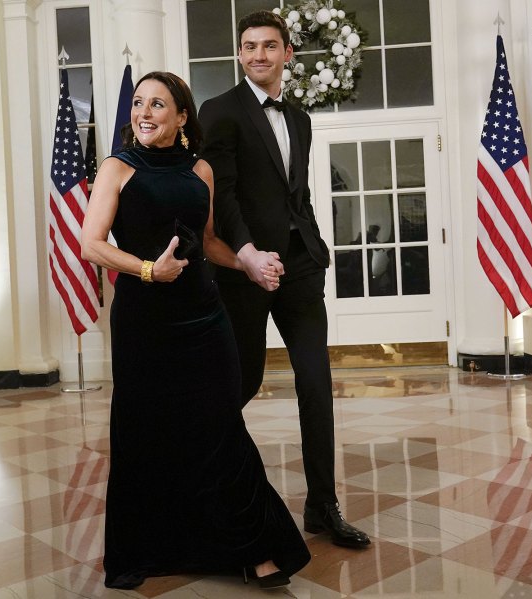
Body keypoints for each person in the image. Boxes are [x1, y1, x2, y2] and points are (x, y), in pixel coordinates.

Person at [81, 71, 310, 590]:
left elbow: (206, 240)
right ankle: (144, 549)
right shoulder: (117, 168)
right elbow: (91, 244)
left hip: (204, 318)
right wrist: (147, 269)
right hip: (144, 320)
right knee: (145, 433)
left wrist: (246, 264)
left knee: (220, 429)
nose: (144, 112)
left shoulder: (199, 170)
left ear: (182, 117)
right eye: (139, 103)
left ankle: (253, 548)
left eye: (157, 104)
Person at [198, 10, 371, 549]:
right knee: (240, 384)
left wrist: (312, 247)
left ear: (287, 53)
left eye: (269, 46)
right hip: (243, 269)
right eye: (248, 47)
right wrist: (248, 255)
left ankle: (323, 506)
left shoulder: (299, 118)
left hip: (298, 268)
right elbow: (221, 195)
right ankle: (205, 491)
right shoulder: (218, 112)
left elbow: (296, 194)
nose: (257, 56)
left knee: (316, 384)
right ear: (240, 54)